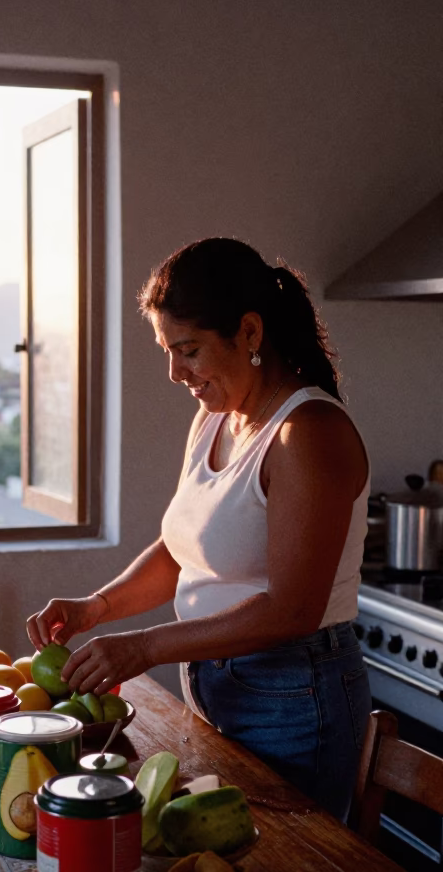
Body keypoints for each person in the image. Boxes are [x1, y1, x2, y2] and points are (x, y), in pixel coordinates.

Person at [27, 237, 372, 822]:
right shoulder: (215, 418)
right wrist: (97, 607)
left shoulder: (308, 433)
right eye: (168, 351)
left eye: (188, 350)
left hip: (294, 697)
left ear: (250, 332)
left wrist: (142, 647)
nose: (174, 372)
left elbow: (293, 610)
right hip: (219, 689)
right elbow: (183, 548)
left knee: (290, 869)